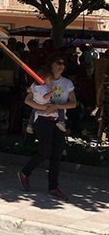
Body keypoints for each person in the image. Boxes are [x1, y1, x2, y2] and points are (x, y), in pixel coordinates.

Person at [18, 53, 76, 200]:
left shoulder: (67, 83)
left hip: (58, 120)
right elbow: (27, 99)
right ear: (51, 65)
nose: (62, 65)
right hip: (42, 119)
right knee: (45, 151)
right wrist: (42, 108)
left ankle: (53, 187)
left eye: (63, 63)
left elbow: (73, 103)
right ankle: (25, 172)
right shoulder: (40, 81)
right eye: (58, 62)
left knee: (57, 155)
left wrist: (56, 106)